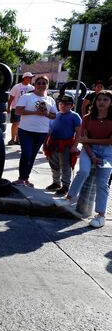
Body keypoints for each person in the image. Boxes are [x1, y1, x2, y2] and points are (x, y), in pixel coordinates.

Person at [56, 90, 112, 228]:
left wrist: (89, 139)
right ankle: (69, 198)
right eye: (99, 99)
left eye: (105, 99)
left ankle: (100, 216)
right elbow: (83, 140)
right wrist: (92, 155)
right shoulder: (87, 117)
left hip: (107, 152)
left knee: (102, 182)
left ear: (111, 103)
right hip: (89, 150)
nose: (101, 102)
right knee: (84, 171)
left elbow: (110, 141)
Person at [13, 75, 57, 187]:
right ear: (35, 84)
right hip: (25, 130)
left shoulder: (50, 99)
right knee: (26, 153)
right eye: (39, 83)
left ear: (47, 85)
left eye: (44, 83)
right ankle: (21, 178)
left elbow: (54, 116)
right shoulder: (27, 96)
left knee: (32, 155)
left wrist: (46, 113)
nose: (41, 85)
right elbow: (18, 111)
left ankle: (26, 178)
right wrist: (35, 112)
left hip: (41, 131)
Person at [43, 94, 82, 196]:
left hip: (66, 145)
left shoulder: (75, 116)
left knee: (65, 166)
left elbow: (78, 132)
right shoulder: (56, 114)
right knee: (53, 164)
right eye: (61, 103)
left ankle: (65, 186)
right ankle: (56, 183)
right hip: (53, 144)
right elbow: (50, 130)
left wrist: (75, 146)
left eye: (66, 104)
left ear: (72, 105)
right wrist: (46, 143)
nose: (63, 106)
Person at [8, 72, 35, 145]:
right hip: (16, 108)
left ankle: (18, 139)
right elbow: (11, 98)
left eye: (31, 77)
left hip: (27, 109)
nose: (31, 79)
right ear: (25, 78)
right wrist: (8, 107)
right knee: (16, 124)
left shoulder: (32, 88)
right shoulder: (17, 87)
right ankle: (12, 139)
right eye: (30, 77)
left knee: (23, 125)